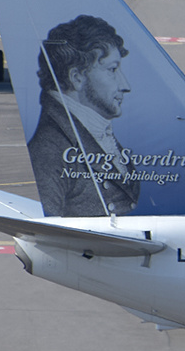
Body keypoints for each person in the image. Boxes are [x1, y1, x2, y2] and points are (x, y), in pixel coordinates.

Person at [26, 15, 139, 216]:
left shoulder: (93, 132)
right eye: (112, 70)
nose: (125, 86)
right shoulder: (51, 150)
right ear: (77, 78)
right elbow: (52, 233)